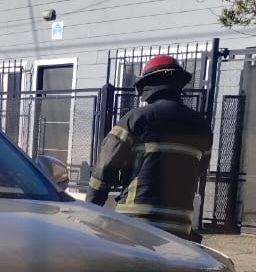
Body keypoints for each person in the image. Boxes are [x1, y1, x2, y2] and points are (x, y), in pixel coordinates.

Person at [84, 54, 214, 240]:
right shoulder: (201, 126)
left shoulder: (136, 119)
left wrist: (91, 211)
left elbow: (104, 169)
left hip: (136, 225)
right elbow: (200, 169)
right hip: (179, 227)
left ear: (147, 86)